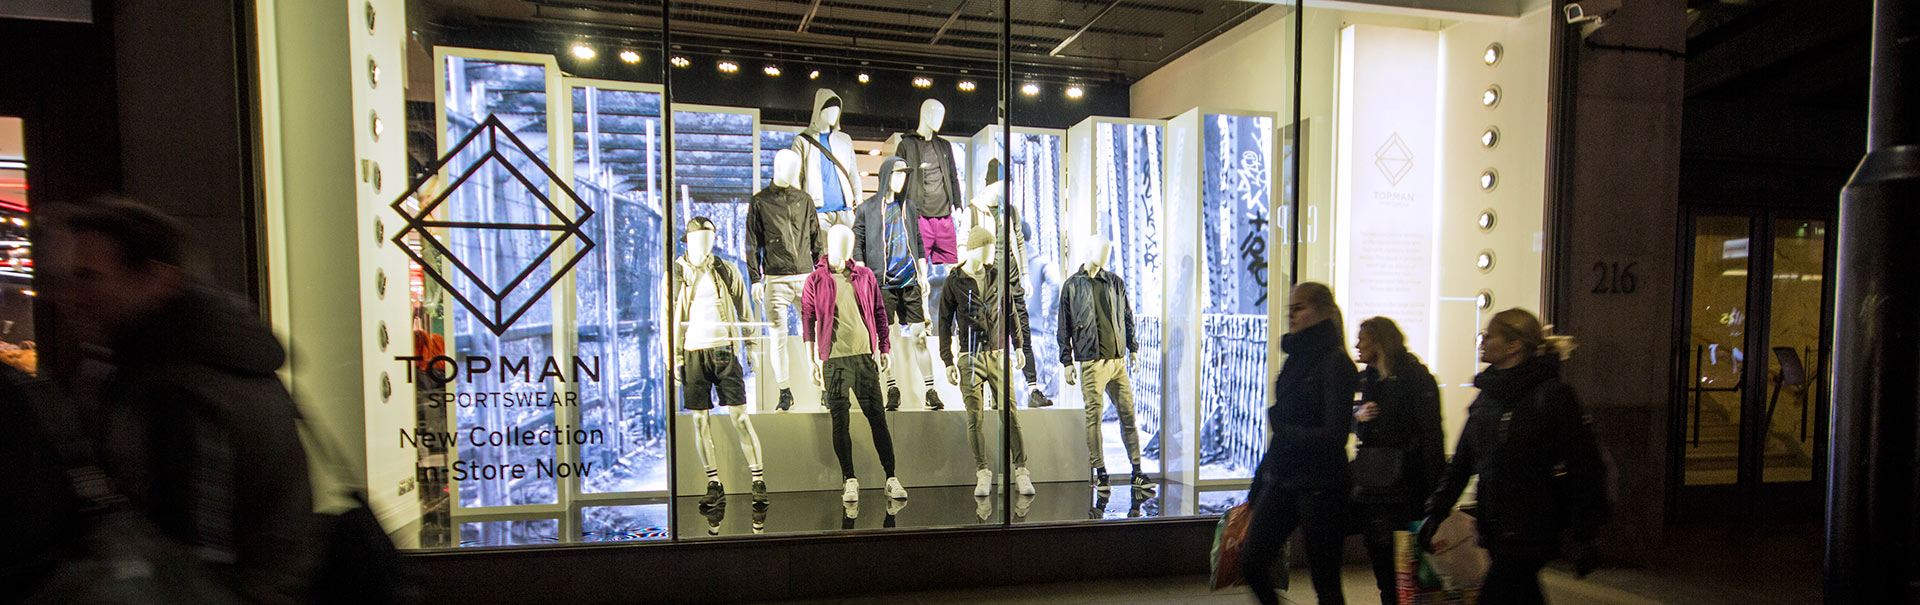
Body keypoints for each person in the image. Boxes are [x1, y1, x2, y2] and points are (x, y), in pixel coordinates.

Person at [54, 199, 313, 603]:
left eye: (89, 278)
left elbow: (191, 556)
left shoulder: (180, 386)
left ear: (158, 279)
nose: (73, 297)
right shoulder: (223, 360)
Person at [1421, 308, 1608, 605]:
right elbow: (1464, 462)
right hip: (1496, 525)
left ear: (1514, 346)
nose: (1482, 341)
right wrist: (1437, 511)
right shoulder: (1488, 398)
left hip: (1533, 528)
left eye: (1489, 335)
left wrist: (1587, 533)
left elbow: (1585, 465)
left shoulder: (1553, 396)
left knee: (1497, 594)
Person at [1243, 282, 1357, 605]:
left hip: (1321, 486)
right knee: (1252, 562)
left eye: (1300, 307)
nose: (1292, 315)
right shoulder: (1296, 358)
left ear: (1322, 312)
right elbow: (1284, 428)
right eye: (1291, 308)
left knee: (1326, 582)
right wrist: (1260, 482)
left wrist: (1284, 427)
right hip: (1282, 479)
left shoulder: (1336, 363)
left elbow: (1335, 435)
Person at [1352, 317, 1445, 605]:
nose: (1357, 345)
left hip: (1406, 486)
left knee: (1406, 564)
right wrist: (1358, 417)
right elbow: (1360, 425)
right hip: (1375, 485)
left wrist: (1437, 494)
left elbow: (1431, 436)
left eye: (1363, 339)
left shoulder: (1415, 379)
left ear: (1379, 342)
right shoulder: (1369, 380)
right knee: (1381, 559)